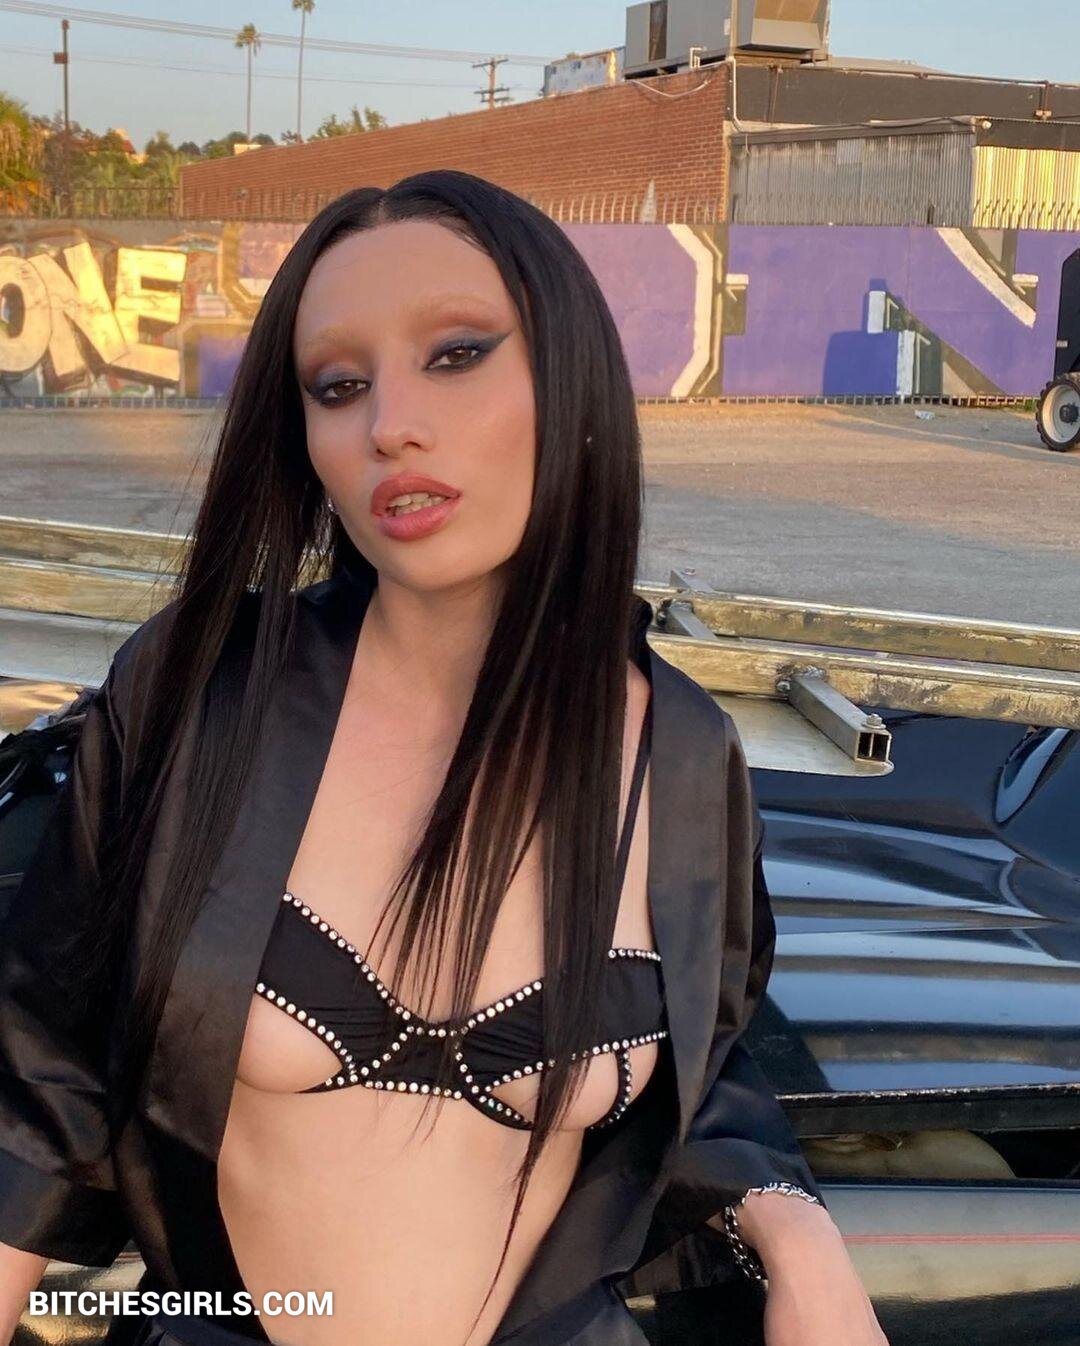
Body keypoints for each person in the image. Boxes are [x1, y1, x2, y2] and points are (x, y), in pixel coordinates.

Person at [0, 170, 889, 1346]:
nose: (390, 424)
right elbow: (43, 1066)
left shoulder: (680, 756)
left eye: (457, 353)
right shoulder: (201, 691)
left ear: (570, 378)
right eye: (338, 385)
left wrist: (796, 1230)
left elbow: (704, 1055)